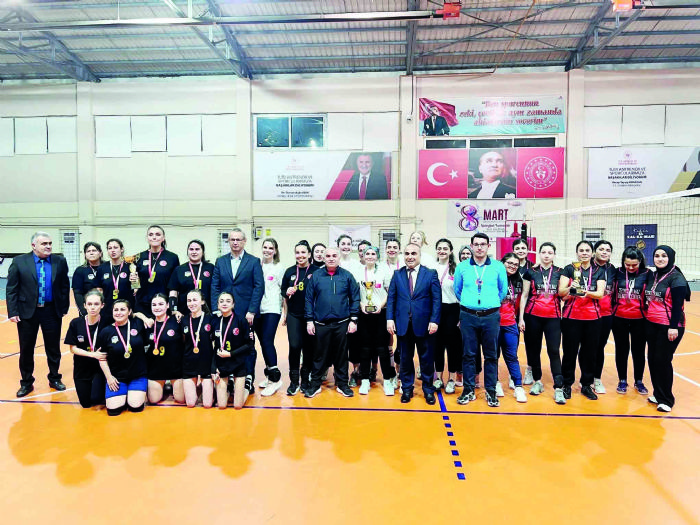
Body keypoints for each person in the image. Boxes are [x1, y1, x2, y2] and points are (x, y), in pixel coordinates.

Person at [7, 231, 70, 397]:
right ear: (33, 245)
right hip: (27, 312)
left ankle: (54, 378)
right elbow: (12, 288)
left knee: (53, 348)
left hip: (51, 310)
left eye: (50, 243)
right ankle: (26, 382)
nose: (48, 246)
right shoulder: (19, 261)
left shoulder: (59, 261)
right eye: (44, 244)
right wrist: (13, 311)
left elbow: (64, 285)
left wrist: (64, 307)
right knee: (26, 349)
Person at [453, 233, 507, 408]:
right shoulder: (462, 267)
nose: (479, 247)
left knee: (491, 355)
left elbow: (502, 290)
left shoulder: (498, 266)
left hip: (491, 316)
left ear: (488, 246)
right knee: (468, 354)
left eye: (483, 244)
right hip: (468, 316)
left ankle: (490, 391)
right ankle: (468, 389)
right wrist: (470, 303)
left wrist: (488, 303)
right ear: (471, 246)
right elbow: (458, 290)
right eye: (476, 244)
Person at [386, 242, 441, 405]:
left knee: (426, 359)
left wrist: (434, 320)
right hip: (403, 324)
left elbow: (436, 299)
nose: (410, 257)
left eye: (413, 253)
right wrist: (389, 319)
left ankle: (428, 390)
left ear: (420, 255)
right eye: (407, 253)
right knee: (405, 359)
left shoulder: (430, 274)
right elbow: (391, 298)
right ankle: (407, 389)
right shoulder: (397, 274)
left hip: (425, 324)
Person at [212, 227, 264, 390]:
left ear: (244, 241)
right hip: (224, 312)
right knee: (225, 343)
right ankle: (229, 376)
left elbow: (259, 286)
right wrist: (216, 309)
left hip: (245, 312)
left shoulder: (253, 261)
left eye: (238, 239)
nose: (235, 242)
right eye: (232, 239)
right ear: (228, 241)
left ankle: (248, 377)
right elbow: (215, 286)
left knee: (248, 345)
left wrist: (252, 310)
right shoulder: (220, 261)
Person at [304, 247, 360, 399]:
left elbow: (355, 298)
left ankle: (342, 384)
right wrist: (309, 320)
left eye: (334, 255)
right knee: (319, 356)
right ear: (323, 258)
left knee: (341, 356)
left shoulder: (347, 276)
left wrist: (354, 319)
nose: (331, 258)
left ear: (339, 257)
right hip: (320, 323)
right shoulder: (316, 276)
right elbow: (308, 299)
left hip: (342, 323)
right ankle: (315, 384)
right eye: (328, 256)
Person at [558, 241, 607, 401]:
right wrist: (572, 288)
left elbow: (600, 294)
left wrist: (585, 292)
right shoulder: (570, 268)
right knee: (569, 353)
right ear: (577, 253)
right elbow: (561, 292)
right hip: (571, 317)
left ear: (592, 253)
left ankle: (586, 384)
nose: (584, 253)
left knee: (590, 354)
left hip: (593, 318)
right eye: (581, 250)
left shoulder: (599, 271)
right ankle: (567, 384)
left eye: (587, 250)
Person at [644, 245, 690, 413]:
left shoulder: (676, 278)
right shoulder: (654, 275)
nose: (660, 259)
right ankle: (658, 394)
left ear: (670, 257)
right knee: (652, 359)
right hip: (652, 324)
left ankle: (667, 400)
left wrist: (673, 327)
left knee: (662, 361)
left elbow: (678, 306)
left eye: (664, 256)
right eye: (657, 256)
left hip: (669, 326)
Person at [518, 242, 566, 404]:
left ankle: (558, 387)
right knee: (533, 350)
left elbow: (563, 294)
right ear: (539, 254)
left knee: (554, 351)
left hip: (553, 317)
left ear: (554, 255)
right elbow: (524, 295)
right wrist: (521, 318)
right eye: (544, 252)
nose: (546, 255)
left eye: (550, 252)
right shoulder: (530, 272)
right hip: (532, 316)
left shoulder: (560, 272)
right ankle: (537, 381)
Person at [354, 246, 396, 396]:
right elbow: (355, 293)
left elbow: (390, 293)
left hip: (380, 313)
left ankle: (387, 380)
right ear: (363, 256)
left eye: (373, 254)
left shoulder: (384, 271)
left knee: (382, 348)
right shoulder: (358, 271)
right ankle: (365, 380)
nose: (370, 256)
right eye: (367, 254)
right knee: (365, 348)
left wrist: (381, 305)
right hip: (364, 314)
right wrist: (361, 305)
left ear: (377, 256)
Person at [96, 299, 148, 416]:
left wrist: (145, 318)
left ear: (129, 312)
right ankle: (123, 395)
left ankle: (131, 395)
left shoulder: (138, 324)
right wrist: (109, 378)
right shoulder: (106, 332)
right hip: (117, 378)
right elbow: (102, 357)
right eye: (116, 310)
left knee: (135, 407)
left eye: (122, 309)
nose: (119, 313)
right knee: (113, 411)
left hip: (138, 375)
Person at [281, 241, 319, 395]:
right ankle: (294, 381)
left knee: (309, 348)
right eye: (297, 252)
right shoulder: (289, 271)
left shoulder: (317, 271)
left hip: (311, 316)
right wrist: (287, 292)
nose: (300, 255)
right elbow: (283, 293)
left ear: (309, 254)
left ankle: (305, 380)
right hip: (294, 314)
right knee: (295, 346)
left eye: (303, 252)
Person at [612, 247, 649, 395]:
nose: (631, 267)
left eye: (634, 265)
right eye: (627, 264)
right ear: (623, 262)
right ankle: (622, 380)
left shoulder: (647, 274)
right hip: (619, 318)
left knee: (638, 351)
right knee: (621, 350)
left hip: (640, 319)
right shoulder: (617, 272)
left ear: (640, 262)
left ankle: (639, 381)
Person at [64, 289, 108, 408]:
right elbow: (73, 349)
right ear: (84, 305)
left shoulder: (107, 322)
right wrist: (92, 354)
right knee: (85, 403)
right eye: (89, 304)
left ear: (102, 305)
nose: (92, 307)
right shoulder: (76, 323)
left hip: (100, 368)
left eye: (96, 304)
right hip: (82, 367)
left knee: (96, 398)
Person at [211, 292, 255, 410]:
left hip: (238, 363)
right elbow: (215, 347)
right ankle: (229, 388)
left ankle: (246, 385)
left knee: (237, 405)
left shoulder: (241, 320)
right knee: (221, 405)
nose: (224, 304)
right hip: (222, 364)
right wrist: (213, 368)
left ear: (233, 304)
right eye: (221, 301)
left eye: (228, 301)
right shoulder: (215, 321)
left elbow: (249, 345)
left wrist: (230, 354)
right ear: (218, 305)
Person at [255, 238, 286, 396]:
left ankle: (275, 380)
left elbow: (284, 291)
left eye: (270, 248)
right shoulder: (257, 265)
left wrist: (285, 312)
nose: (267, 250)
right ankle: (269, 376)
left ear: (275, 251)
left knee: (267, 341)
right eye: (265, 247)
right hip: (257, 309)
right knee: (263, 343)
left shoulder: (279, 268)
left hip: (272, 309)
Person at [144, 293, 184, 404]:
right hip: (156, 368)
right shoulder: (148, 323)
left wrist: (176, 312)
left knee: (181, 399)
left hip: (175, 368)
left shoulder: (177, 321)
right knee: (154, 400)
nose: (157, 307)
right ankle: (165, 388)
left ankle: (171, 386)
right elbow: (134, 314)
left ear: (167, 305)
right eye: (154, 305)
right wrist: (143, 317)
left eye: (161, 304)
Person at [131, 225, 180, 314]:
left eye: (157, 234)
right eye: (151, 234)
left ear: (163, 238)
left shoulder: (172, 257)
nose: (154, 237)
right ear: (147, 238)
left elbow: (175, 285)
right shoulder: (139, 257)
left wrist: (173, 307)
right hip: (143, 303)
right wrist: (133, 282)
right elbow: (135, 283)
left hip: (163, 304)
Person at [433, 239, 461, 395]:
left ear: (450, 251)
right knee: (437, 345)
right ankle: (438, 378)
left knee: (452, 346)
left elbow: (462, 292)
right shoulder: (431, 268)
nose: (442, 251)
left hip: (453, 309)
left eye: (445, 248)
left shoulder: (456, 269)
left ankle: (451, 379)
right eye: (439, 248)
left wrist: (461, 315)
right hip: (436, 310)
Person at [499, 253, 527, 403]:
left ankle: (518, 387)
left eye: (516, 264)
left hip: (510, 323)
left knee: (512, 356)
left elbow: (520, 301)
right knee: (493, 356)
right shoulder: (495, 278)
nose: (512, 266)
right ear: (502, 262)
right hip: (493, 324)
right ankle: (495, 383)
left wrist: (520, 319)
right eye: (509, 263)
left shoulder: (518, 281)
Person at [181, 290, 215, 408]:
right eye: (189, 300)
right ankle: (200, 389)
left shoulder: (210, 319)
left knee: (207, 404)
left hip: (206, 363)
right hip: (189, 363)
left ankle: (210, 390)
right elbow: (182, 342)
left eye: (195, 300)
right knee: (190, 404)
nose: (192, 303)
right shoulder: (183, 320)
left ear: (202, 302)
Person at [336, 234, 362, 386]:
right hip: (336, 312)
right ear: (338, 246)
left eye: (348, 244)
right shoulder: (333, 264)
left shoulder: (357, 265)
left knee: (354, 343)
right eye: (343, 244)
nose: (346, 246)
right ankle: (340, 373)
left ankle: (355, 372)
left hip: (352, 310)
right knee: (339, 345)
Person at [591, 240, 616, 394]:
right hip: (589, 313)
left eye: (608, 250)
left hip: (606, 314)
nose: (604, 252)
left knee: (600, 347)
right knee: (586, 347)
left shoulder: (613, 270)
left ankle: (597, 378)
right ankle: (585, 378)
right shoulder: (586, 267)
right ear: (595, 251)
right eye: (601, 249)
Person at [168, 239, 215, 318]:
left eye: (197, 249)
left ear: (203, 252)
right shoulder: (179, 270)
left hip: (207, 313)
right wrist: (174, 310)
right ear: (187, 252)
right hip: (184, 313)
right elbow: (173, 292)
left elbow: (216, 289)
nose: (194, 252)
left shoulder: (211, 268)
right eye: (191, 249)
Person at [97, 238, 132, 324]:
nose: (112, 250)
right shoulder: (102, 268)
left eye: (115, 247)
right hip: (107, 310)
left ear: (122, 249)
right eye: (110, 248)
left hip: (125, 309)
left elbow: (136, 288)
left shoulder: (130, 266)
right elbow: (99, 290)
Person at [384, 238, 403, 386]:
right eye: (389, 247)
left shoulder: (403, 265)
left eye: (394, 247)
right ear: (385, 249)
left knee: (402, 343)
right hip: (386, 308)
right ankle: (391, 372)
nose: (392, 249)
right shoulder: (380, 267)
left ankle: (400, 373)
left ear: (399, 249)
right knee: (387, 342)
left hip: (402, 309)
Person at [72, 242, 104, 316]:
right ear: (85, 255)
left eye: (94, 250)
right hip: (88, 310)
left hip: (106, 309)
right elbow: (77, 293)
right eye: (88, 251)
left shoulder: (107, 267)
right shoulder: (80, 270)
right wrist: (83, 311)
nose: (91, 253)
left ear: (100, 253)